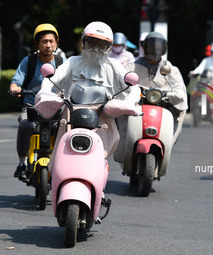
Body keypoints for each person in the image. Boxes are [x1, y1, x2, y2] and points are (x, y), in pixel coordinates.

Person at [35, 21, 141, 171]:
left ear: (109, 46)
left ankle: (99, 185)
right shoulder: (72, 62)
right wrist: (45, 92)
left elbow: (134, 88)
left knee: (100, 155)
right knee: (63, 152)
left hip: (102, 116)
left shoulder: (114, 65)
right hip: (71, 113)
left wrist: (128, 103)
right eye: (91, 42)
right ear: (84, 42)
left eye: (101, 44)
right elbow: (52, 78)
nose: (95, 48)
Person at [114, 31, 188, 163]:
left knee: (181, 109)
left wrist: (170, 94)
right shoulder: (132, 66)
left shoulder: (171, 69)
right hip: (137, 107)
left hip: (163, 107)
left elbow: (180, 91)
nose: (156, 49)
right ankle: (123, 152)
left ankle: (167, 146)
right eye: (152, 46)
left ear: (164, 48)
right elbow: (121, 86)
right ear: (146, 47)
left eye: (159, 46)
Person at [10, 23, 65, 180]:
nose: (48, 45)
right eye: (44, 41)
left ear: (56, 43)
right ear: (37, 44)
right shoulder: (29, 61)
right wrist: (15, 87)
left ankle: (63, 162)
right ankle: (22, 163)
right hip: (32, 106)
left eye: (51, 41)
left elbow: (72, 81)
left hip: (56, 107)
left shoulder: (62, 62)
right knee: (25, 125)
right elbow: (16, 80)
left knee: (66, 128)